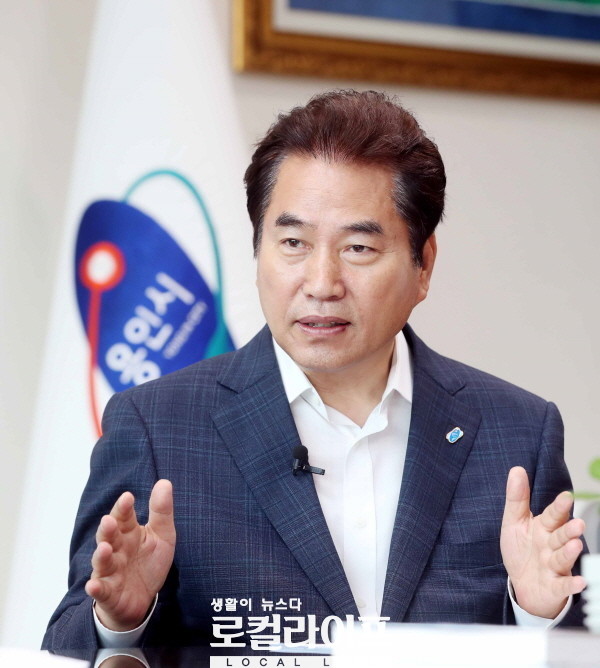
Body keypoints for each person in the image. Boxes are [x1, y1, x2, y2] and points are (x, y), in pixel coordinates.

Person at [43, 90, 586, 651]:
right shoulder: (158, 426)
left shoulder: (517, 432)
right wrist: (121, 621)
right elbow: (65, 643)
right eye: (293, 243)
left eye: (358, 248)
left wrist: (540, 614)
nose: (322, 283)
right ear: (258, 250)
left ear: (423, 265)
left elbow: (578, 642)